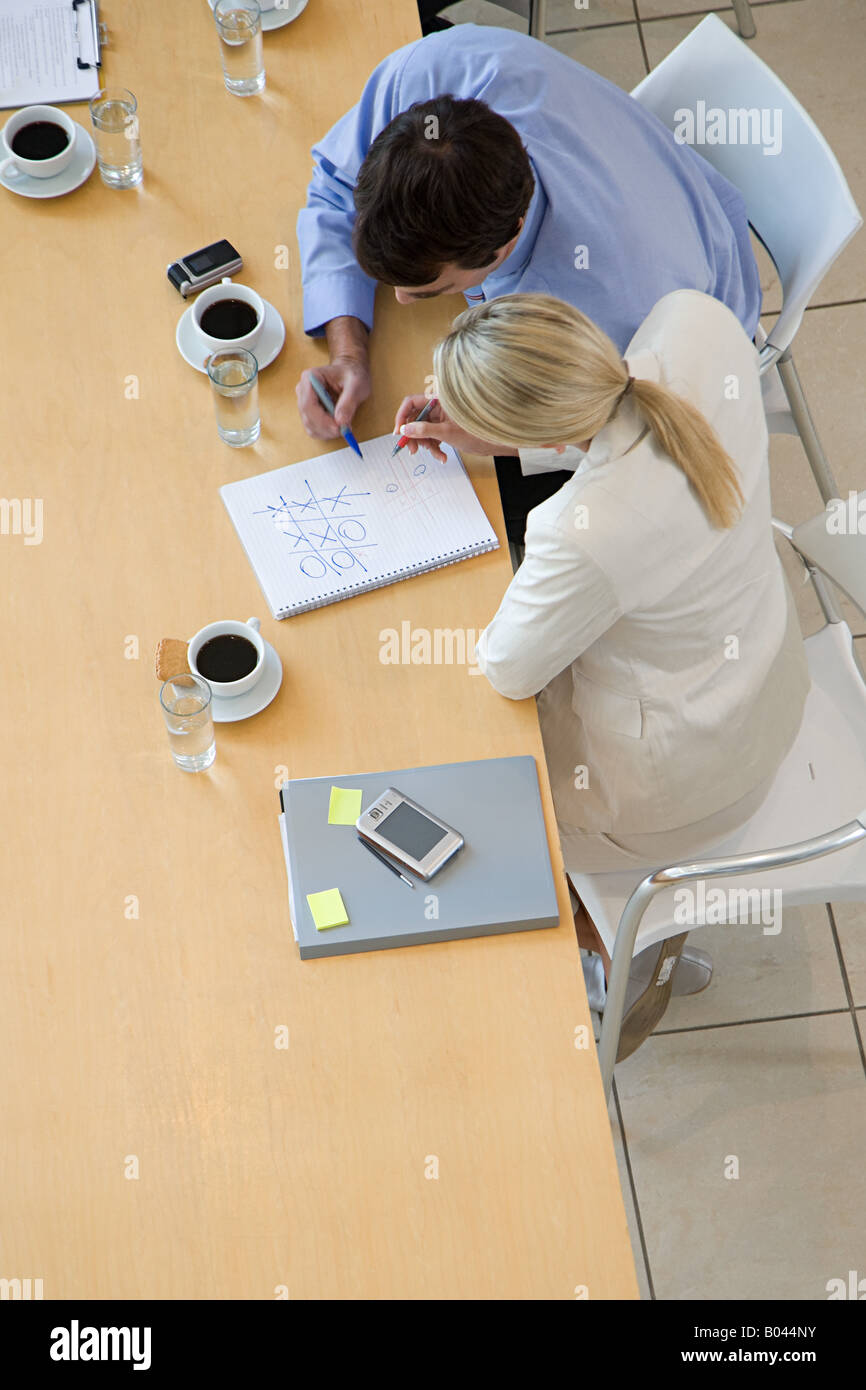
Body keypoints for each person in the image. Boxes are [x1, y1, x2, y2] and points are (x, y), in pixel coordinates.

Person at [395, 288, 810, 1047]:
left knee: (461, 787)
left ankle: (594, 939)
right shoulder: (694, 321)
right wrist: (510, 437)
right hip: (767, 678)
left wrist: (514, 443)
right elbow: (627, 428)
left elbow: (507, 667)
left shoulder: (582, 532)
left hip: (686, 784)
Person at [295, 24, 762, 542]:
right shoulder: (437, 73)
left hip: (691, 348)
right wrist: (349, 353)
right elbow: (333, 187)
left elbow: (637, 437)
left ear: (503, 243)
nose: (400, 301)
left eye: (428, 291)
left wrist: (499, 435)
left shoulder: (611, 310)